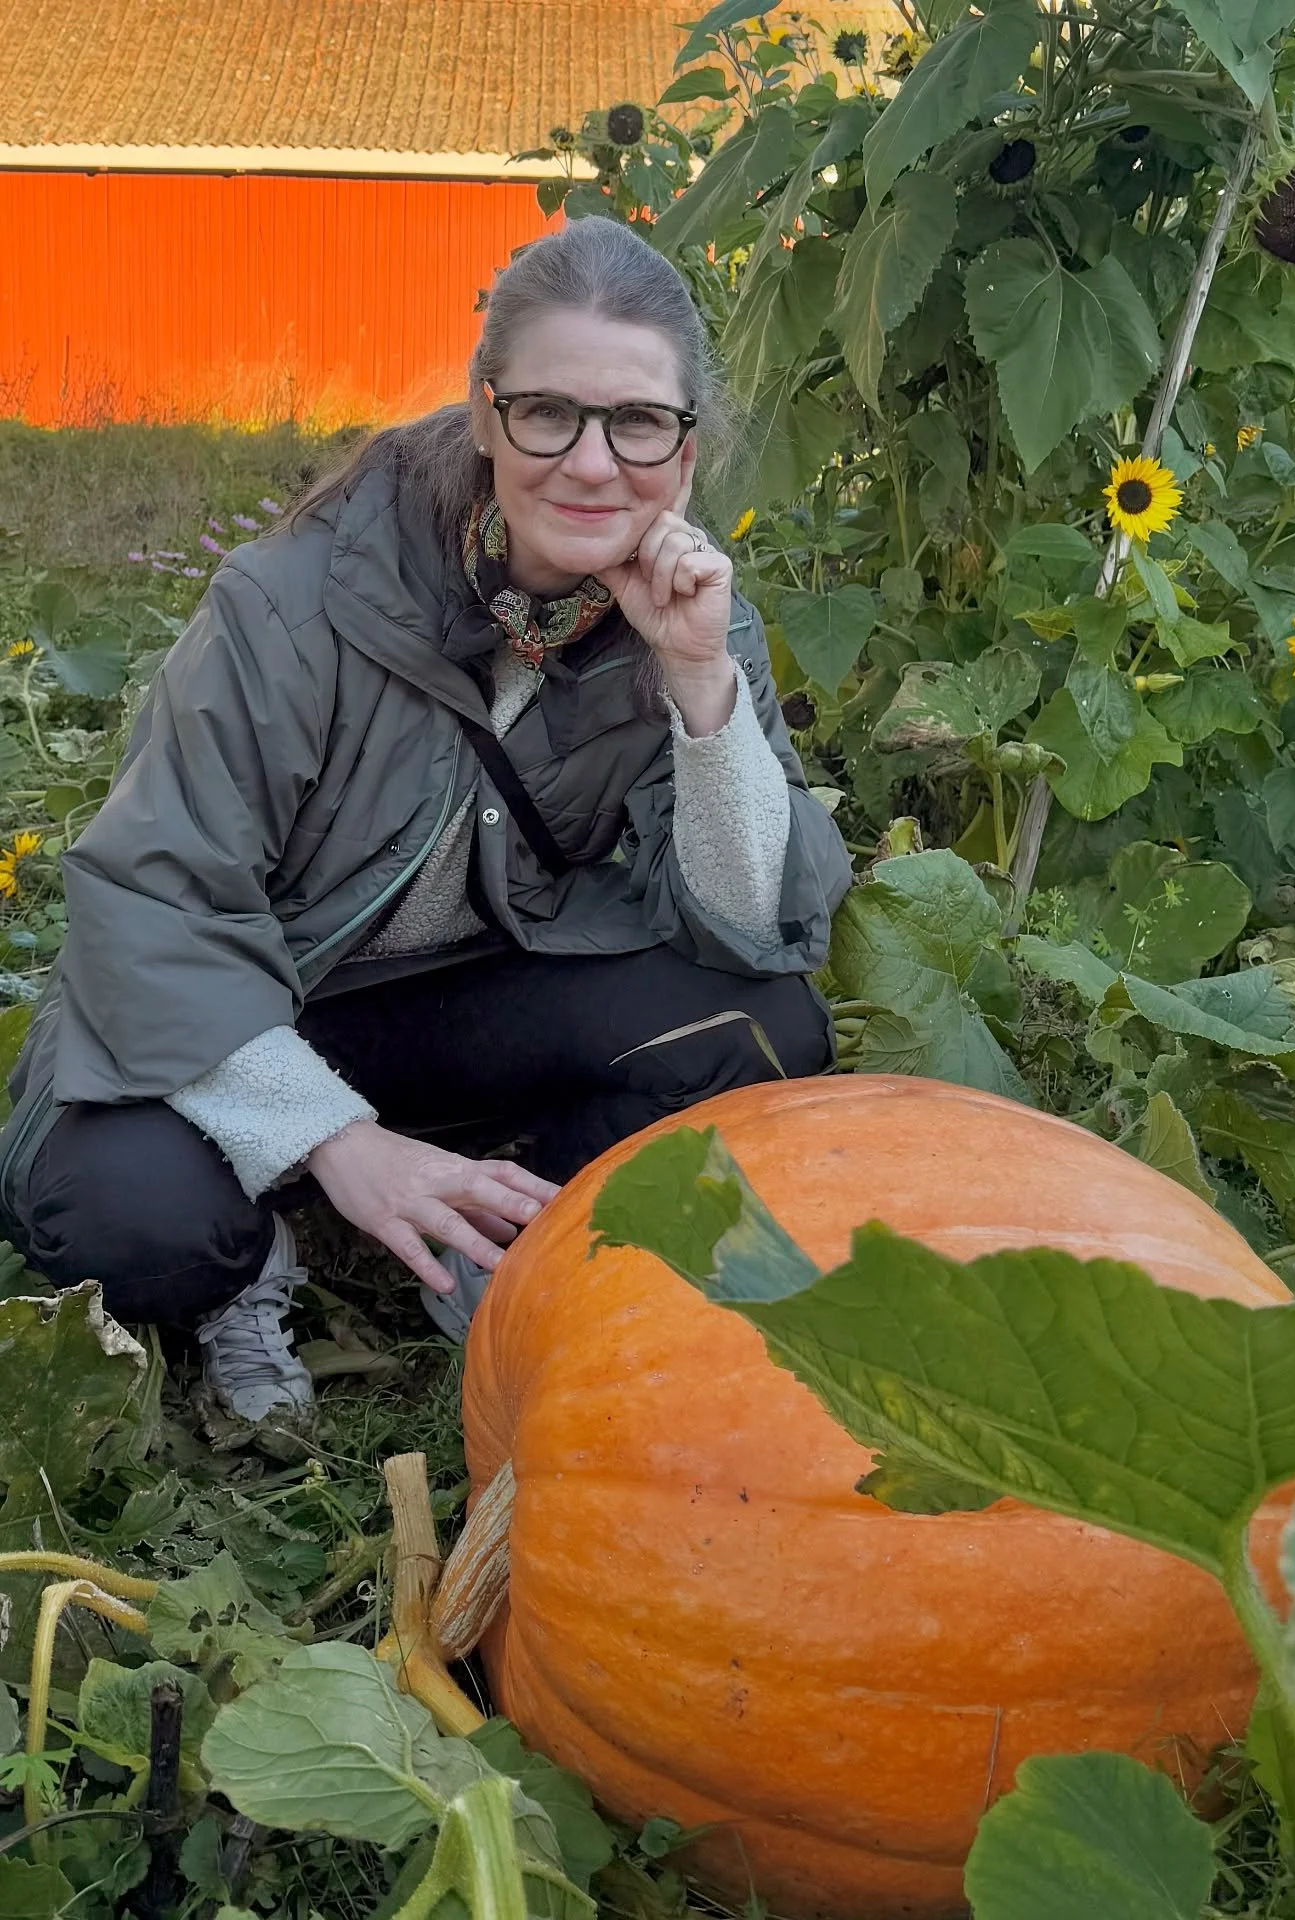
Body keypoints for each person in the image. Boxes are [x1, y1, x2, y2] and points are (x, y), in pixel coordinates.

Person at [0, 218, 852, 1430]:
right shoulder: (291, 603)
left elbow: (753, 922)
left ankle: (509, 1231)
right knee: (122, 1214)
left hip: (450, 1003)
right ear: (486, 414)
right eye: (548, 414)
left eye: (636, 422)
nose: (593, 464)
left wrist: (698, 683)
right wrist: (339, 1140)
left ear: (686, 446)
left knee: (762, 1026)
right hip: (245, 1010)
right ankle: (259, 1263)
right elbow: (150, 910)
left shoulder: (691, 615)